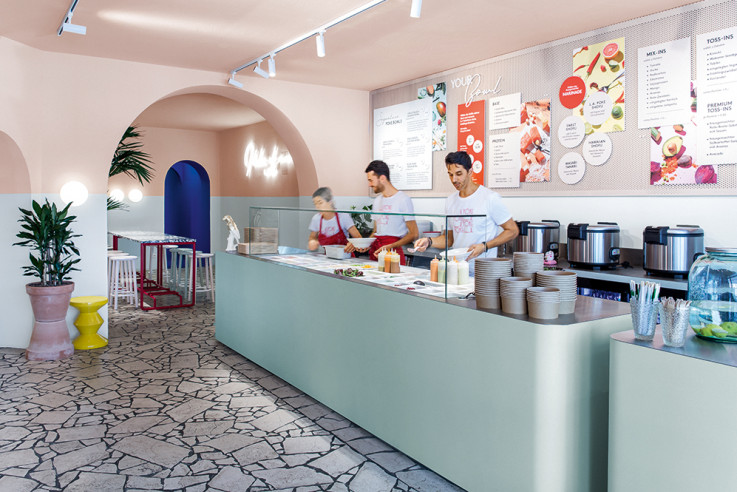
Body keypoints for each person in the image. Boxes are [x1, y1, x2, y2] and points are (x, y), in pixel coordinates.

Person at [414, 151, 518, 273]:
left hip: (483, 272)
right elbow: (449, 240)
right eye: (450, 175)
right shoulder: (450, 201)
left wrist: (485, 246)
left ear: (470, 172)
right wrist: (429, 241)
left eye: (459, 174)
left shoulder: (490, 198)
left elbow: (512, 230)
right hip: (456, 269)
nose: (454, 179)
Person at [349, 160, 418, 265]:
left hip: (393, 253)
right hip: (377, 251)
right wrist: (365, 245)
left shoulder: (403, 199)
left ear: (382, 178)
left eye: (371, 180)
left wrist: (390, 246)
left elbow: (414, 234)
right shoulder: (377, 201)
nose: (369, 185)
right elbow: (376, 231)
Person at [307, 187, 362, 253]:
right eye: (315, 204)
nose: (317, 207)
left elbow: (358, 238)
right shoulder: (316, 219)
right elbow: (312, 237)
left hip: (345, 255)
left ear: (330, 202)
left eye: (320, 203)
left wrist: (352, 244)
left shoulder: (343, 217)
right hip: (327, 256)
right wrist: (312, 242)